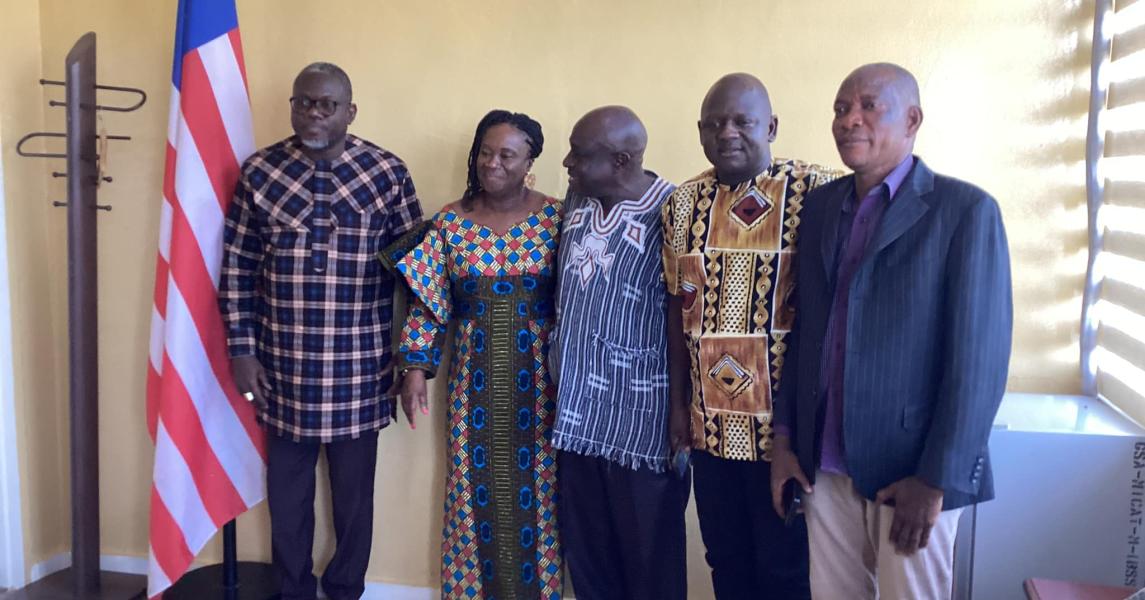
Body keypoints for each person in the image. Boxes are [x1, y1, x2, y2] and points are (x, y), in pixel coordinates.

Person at [770, 62, 1013, 599]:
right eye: (839, 108)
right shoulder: (820, 207)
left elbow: (980, 363)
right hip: (825, 463)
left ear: (912, 119)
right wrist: (785, 441)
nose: (849, 120)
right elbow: (806, 333)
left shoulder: (965, 212)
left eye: (867, 106)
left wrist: (937, 481)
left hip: (910, 470)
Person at [219, 62, 423, 600]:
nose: (312, 112)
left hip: (361, 368)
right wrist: (242, 351)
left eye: (326, 104)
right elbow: (237, 265)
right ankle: (293, 591)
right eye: (303, 101)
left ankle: (345, 589)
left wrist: (413, 362)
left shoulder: (387, 172)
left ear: (350, 112)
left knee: (355, 503)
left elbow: (419, 275)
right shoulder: (260, 172)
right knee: (287, 501)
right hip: (281, 369)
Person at [661, 73, 839, 600]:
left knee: (786, 568)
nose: (728, 133)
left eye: (743, 121)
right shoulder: (682, 204)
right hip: (709, 429)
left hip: (784, 433)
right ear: (699, 131)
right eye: (715, 123)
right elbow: (676, 310)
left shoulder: (819, 191)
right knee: (726, 560)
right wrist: (678, 407)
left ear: (772, 126)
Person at [385, 109, 563, 600]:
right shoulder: (450, 223)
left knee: (541, 498)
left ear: (530, 160)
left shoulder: (558, 217)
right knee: (470, 495)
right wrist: (415, 368)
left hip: (542, 389)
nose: (493, 163)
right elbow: (429, 301)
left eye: (507, 154)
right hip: (472, 388)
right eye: (485, 152)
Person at [550, 106, 687, 600]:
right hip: (576, 417)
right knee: (589, 560)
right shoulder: (578, 200)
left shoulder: (673, 210)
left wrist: (680, 411)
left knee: (650, 562)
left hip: (643, 422)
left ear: (623, 160)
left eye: (580, 155)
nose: (567, 162)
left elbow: (683, 317)